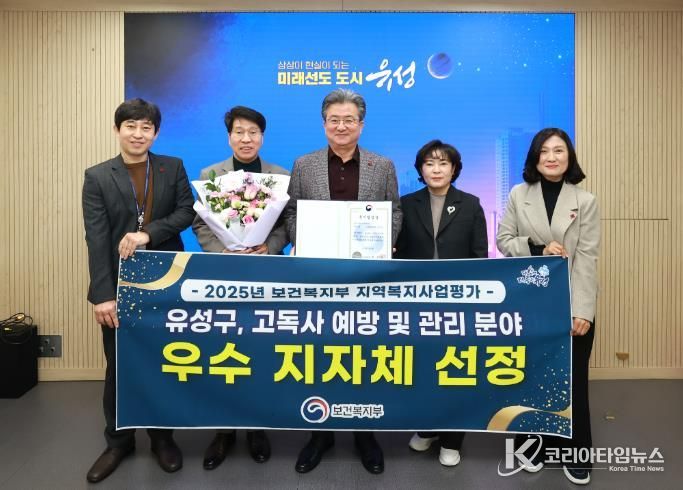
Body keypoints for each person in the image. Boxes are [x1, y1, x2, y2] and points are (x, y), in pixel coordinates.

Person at [284, 88, 402, 475]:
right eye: (334, 120)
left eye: (349, 119)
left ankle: (364, 433)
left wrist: (382, 245)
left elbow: (394, 211)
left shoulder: (382, 165)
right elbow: (291, 213)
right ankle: (320, 433)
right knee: (319, 353)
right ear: (324, 124)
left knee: (363, 353)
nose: (341, 126)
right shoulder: (304, 164)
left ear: (361, 125)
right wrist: (306, 241)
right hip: (318, 276)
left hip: (366, 277)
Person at [82, 98, 195, 483]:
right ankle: (118, 442)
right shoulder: (98, 176)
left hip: (167, 282)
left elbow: (186, 212)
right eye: (130, 125)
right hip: (120, 285)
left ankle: (163, 438)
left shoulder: (172, 167)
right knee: (119, 366)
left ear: (156, 133)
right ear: (118, 130)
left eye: (146, 127)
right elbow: (96, 238)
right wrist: (103, 295)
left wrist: (148, 233)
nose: (138, 133)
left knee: (165, 361)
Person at [496, 127, 599, 485]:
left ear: (569, 156)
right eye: (544, 151)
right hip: (529, 304)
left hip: (570, 304)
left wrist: (583, 311)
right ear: (534, 158)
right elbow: (504, 240)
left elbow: (587, 259)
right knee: (532, 379)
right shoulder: (518, 193)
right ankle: (532, 448)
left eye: (558, 150)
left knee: (573, 382)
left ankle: (576, 452)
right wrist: (538, 248)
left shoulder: (585, 200)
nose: (551, 157)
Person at [192, 105, 289, 469]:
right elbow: (199, 224)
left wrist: (270, 245)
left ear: (262, 137)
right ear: (229, 136)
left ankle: (257, 427)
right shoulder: (210, 174)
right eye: (239, 132)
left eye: (253, 132)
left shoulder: (280, 176)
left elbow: (288, 223)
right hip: (225, 276)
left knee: (261, 349)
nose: (246, 139)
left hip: (265, 276)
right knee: (225, 351)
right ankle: (223, 430)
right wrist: (223, 251)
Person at [394, 139, 487, 466]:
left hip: (458, 304)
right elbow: (397, 255)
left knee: (454, 369)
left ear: (454, 169)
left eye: (443, 163)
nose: (436, 169)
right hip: (416, 302)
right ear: (420, 169)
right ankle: (427, 428)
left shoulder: (471, 204)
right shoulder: (406, 204)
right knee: (422, 369)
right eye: (429, 163)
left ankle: (452, 439)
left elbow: (479, 256)